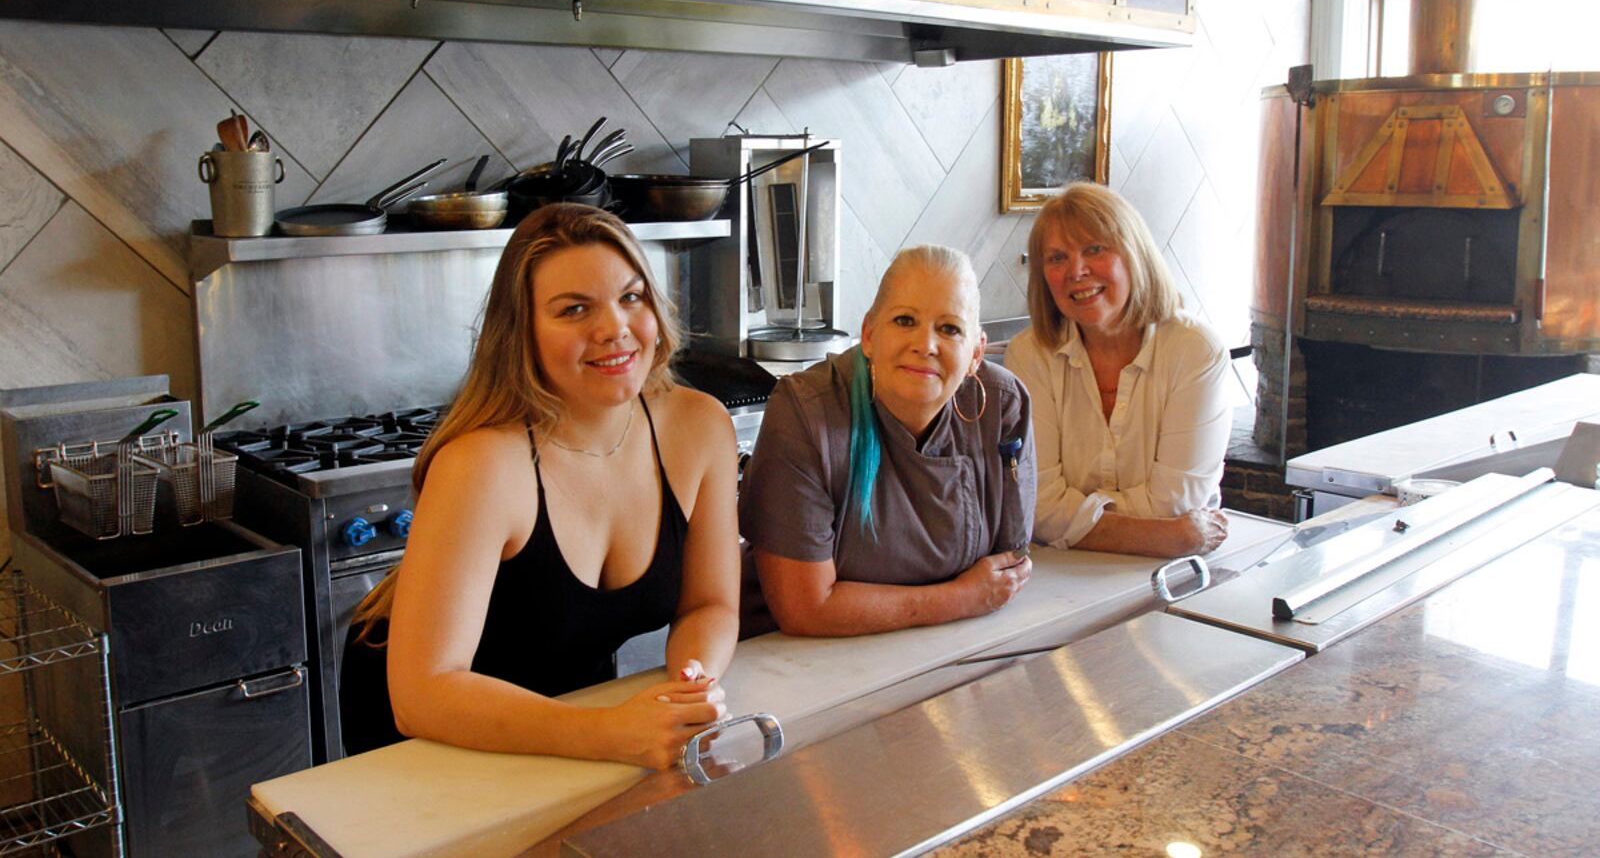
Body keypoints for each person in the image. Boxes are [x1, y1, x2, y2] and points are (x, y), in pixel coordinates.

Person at [340, 204, 740, 768]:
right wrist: (610, 732)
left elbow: (711, 604)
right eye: (574, 309)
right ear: (521, 333)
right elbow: (422, 694)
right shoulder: (482, 465)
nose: (614, 329)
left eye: (631, 297)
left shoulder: (698, 428)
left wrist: (692, 683)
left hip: (571, 711)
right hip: (435, 735)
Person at [739, 245, 1036, 638]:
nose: (925, 345)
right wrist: (961, 597)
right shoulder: (807, 413)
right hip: (795, 659)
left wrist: (967, 601)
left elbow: (1008, 567)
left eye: (949, 329)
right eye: (905, 320)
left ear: (977, 353)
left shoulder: (1003, 406)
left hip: (946, 644)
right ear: (868, 334)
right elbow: (805, 609)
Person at [1004, 183, 1231, 559]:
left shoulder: (1195, 351)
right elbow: (1037, 505)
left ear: (1134, 254)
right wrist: (1170, 536)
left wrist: (1074, 518)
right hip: (1064, 575)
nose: (1076, 271)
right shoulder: (1029, 355)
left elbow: (1174, 505)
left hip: (1177, 573)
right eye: (1057, 258)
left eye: (1094, 249)